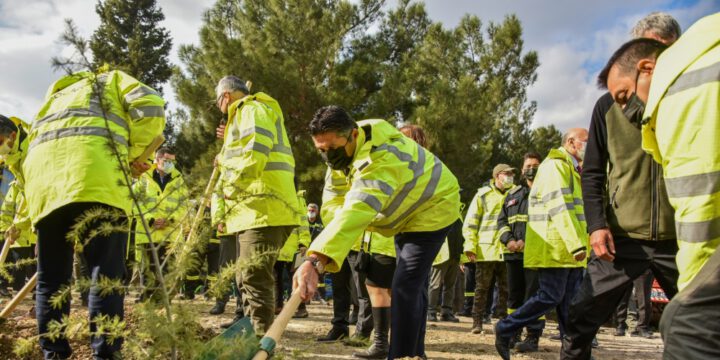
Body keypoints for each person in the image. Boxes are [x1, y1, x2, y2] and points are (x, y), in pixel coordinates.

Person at [294, 106, 461, 359]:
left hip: (433, 209)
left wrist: (315, 259)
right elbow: (333, 203)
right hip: (403, 217)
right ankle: (416, 353)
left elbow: (359, 206)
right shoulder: (343, 152)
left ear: (353, 135)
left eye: (332, 148)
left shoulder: (382, 156)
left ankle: (403, 355)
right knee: (410, 283)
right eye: (321, 150)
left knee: (405, 285)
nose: (328, 156)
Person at [561, 13, 682, 359]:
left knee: (703, 320)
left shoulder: (693, 96)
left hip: (681, 236)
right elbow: (593, 172)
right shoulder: (608, 107)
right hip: (621, 238)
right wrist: (597, 226)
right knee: (580, 318)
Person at [23, 69, 165, 359]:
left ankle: (54, 354)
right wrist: (135, 155)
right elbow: (150, 104)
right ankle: (106, 354)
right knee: (106, 275)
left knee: (51, 279)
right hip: (97, 181)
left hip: (46, 189)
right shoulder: (110, 79)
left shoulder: (53, 98)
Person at [639, 13, 720, 359]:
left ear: (647, 63)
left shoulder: (683, 90)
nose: (632, 106)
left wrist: (692, 291)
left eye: (627, 93)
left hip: (685, 237)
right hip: (638, 234)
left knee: (685, 324)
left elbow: (701, 201)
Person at [213, 75, 299, 335]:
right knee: (246, 277)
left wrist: (235, 183)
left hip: (264, 208)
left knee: (254, 276)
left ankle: (262, 342)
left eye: (217, 101)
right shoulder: (242, 117)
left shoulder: (251, 109)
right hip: (254, 210)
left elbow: (257, 150)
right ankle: (250, 336)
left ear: (226, 96)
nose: (218, 106)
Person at [494, 128, 589, 360]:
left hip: (569, 249)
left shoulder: (570, 169)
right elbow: (560, 208)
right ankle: (506, 327)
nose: (590, 146)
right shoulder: (555, 166)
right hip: (557, 247)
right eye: (586, 141)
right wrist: (576, 244)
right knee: (550, 297)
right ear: (570, 142)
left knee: (570, 306)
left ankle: (576, 354)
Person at [315, 168, 373, 343]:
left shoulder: (362, 162)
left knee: (361, 289)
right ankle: (340, 328)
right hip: (337, 236)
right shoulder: (333, 165)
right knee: (339, 286)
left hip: (357, 236)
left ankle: (362, 333)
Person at [497, 152, 545, 352]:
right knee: (514, 297)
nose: (531, 168)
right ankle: (513, 332)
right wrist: (508, 241)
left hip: (535, 253)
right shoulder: (513, 194)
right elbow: (501, 221)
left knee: (534, 296)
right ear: (522, 168)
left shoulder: (546, 191)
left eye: (535, 164)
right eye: (528, 165)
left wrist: (527, 241)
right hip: (513, 254)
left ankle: (533, 336)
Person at [132, 147, 190, 300]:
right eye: (166, 161)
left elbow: (184, 207)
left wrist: (169, 219)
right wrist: (151, 220)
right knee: (147, 269)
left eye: (172, 161)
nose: (170, 164)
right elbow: (134, 203)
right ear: (157, 161)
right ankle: (146, 297)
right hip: (148, 233)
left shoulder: (179, 181)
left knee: (166, 270)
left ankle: (163, 300)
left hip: (169, 234)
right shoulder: (143, 179)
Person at [463, 164, 515, 334]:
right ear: (496, 176)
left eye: (511, 174)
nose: (509, 176)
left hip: (509, 249)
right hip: (486, 249)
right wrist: (470, 246)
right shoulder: (482, 195)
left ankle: (501, 322)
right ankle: (477, 322)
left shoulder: (516, 194)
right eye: (506, 173)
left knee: (506, 288)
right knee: (482, 288)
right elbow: (470, 223)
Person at [0, 115, 29, 297]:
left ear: (11, 135)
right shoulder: (11, 159)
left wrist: (20, 223)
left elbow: (32, 191)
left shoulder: (29, 153)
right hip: (12, 224)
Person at [275, 188, 312, 318]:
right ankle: (277, 306)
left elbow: (303, 222)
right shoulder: (274, 195)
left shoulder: (298, 200)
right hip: (279, 244)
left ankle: (299, 308)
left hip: (296, 247)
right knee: (275, 278)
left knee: (298, 278)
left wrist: (304, 242)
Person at [611, 269, 653, 337]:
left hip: (644, 266)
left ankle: (642, 327)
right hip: (626, 266)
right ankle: (620, 325)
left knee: (643, 298)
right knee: (622, 297)